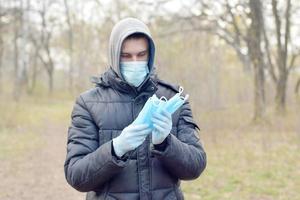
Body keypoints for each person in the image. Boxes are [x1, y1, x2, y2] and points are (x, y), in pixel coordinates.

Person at [64, 17, 206, 200]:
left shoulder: (172, 98)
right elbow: (77, 176)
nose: (134, 61)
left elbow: (196, 166)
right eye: (126, 56)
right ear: (114, 56)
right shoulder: (88, 104)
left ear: (150, 55)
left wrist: (166, 143)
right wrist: (116, 149)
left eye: (141, 55)